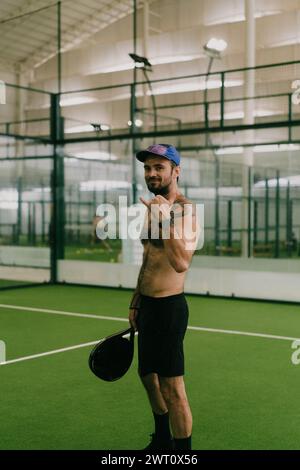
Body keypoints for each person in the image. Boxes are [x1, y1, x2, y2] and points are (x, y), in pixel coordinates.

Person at [128, 143, 200, 451]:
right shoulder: (152, 205)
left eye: (159, 167)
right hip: (147, 305)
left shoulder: (185, 210)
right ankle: (161, 440)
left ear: (176, 171)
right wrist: (136, 300)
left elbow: (181, 261)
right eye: (147, 167)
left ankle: (183, 454)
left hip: (170, 308)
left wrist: (165, 218)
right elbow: (148, 259)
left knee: (173, 387)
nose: (152, 173)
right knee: (148, 376)